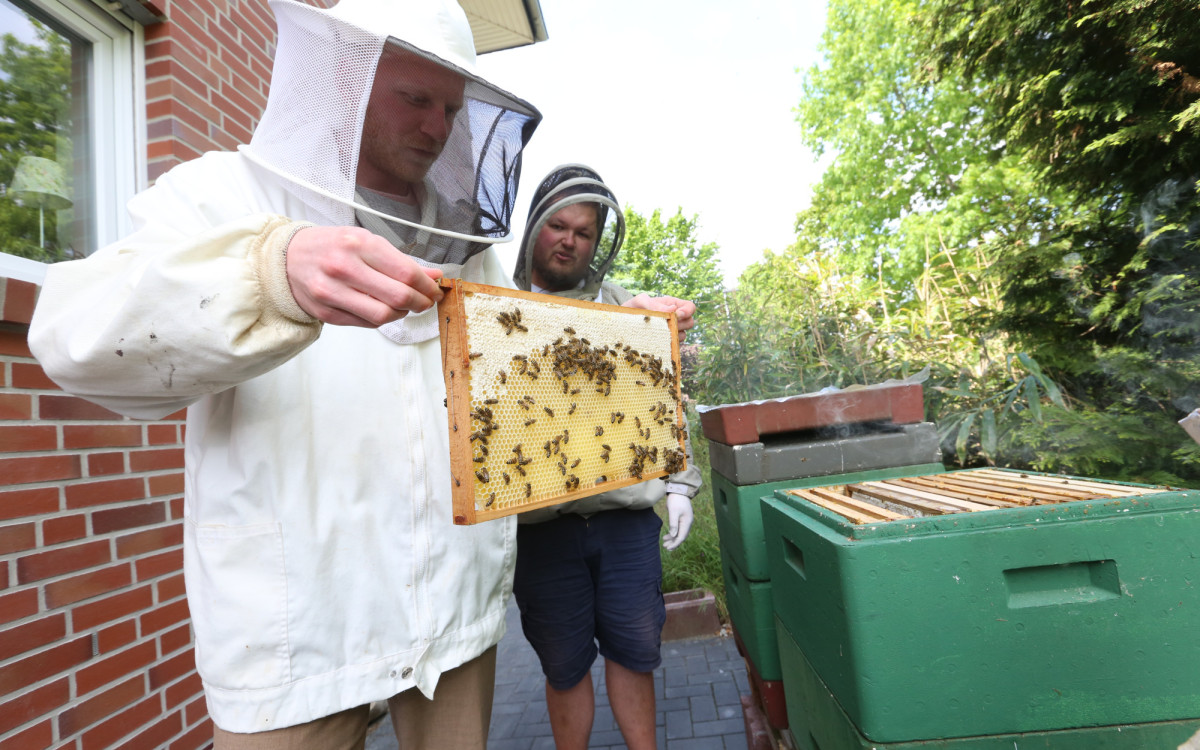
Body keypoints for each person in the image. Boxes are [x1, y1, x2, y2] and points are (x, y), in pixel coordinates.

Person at [28, 1, 544, 747]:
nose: (437, 128)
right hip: (301, 629)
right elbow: (69, 333)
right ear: (347, 80)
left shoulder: (466, 244)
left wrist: (628, 338)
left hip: (456, 614)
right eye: (413, 98)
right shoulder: (222, 196)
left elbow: (519, 380)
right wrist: (265, 274)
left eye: (451, 108)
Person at [510, 164, 703, 750]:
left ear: (598, 243)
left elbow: (661, 395)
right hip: (542, 528)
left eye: (584, 232)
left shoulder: (624, 305)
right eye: (558, 226)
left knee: (634, 650)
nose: (569, 240)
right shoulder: (496, 305)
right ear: (535, 227)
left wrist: (680, 484)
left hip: (623, 521)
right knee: (563, 665)